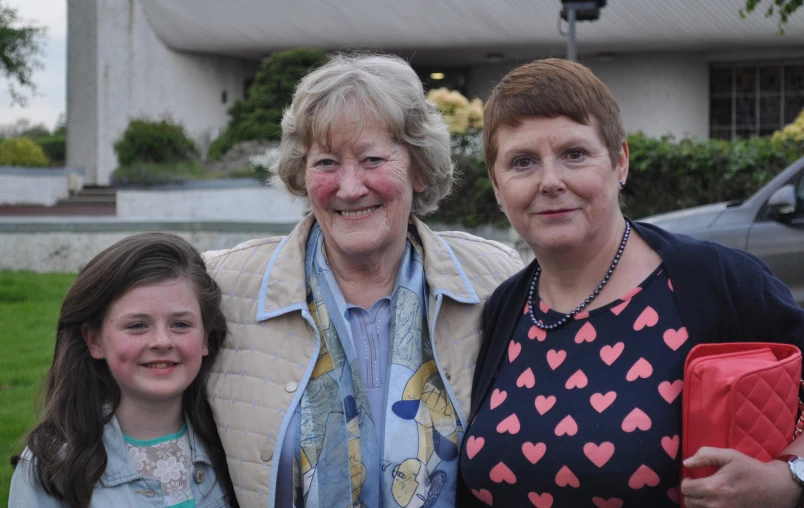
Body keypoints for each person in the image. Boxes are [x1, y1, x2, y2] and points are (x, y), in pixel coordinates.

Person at [457, 58, 804, 508]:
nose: (550, 181)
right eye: (522, 162)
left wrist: (790, 479)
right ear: (498, 187)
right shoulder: (506, 306)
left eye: (574, 154)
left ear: (619, 162)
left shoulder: (718, 283)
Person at [201, 52, 523, 508]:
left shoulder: (494, 279)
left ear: (419, 168)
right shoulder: (227, 287)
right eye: (327, 163)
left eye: (373, 159)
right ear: (302, 173)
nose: (350, 188)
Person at [9, 233, 237, 507]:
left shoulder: (236, 449)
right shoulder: (52, 467)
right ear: (94, 340)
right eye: (137, 325)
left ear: (204, 338)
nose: (162, 341)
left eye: (180, 325)